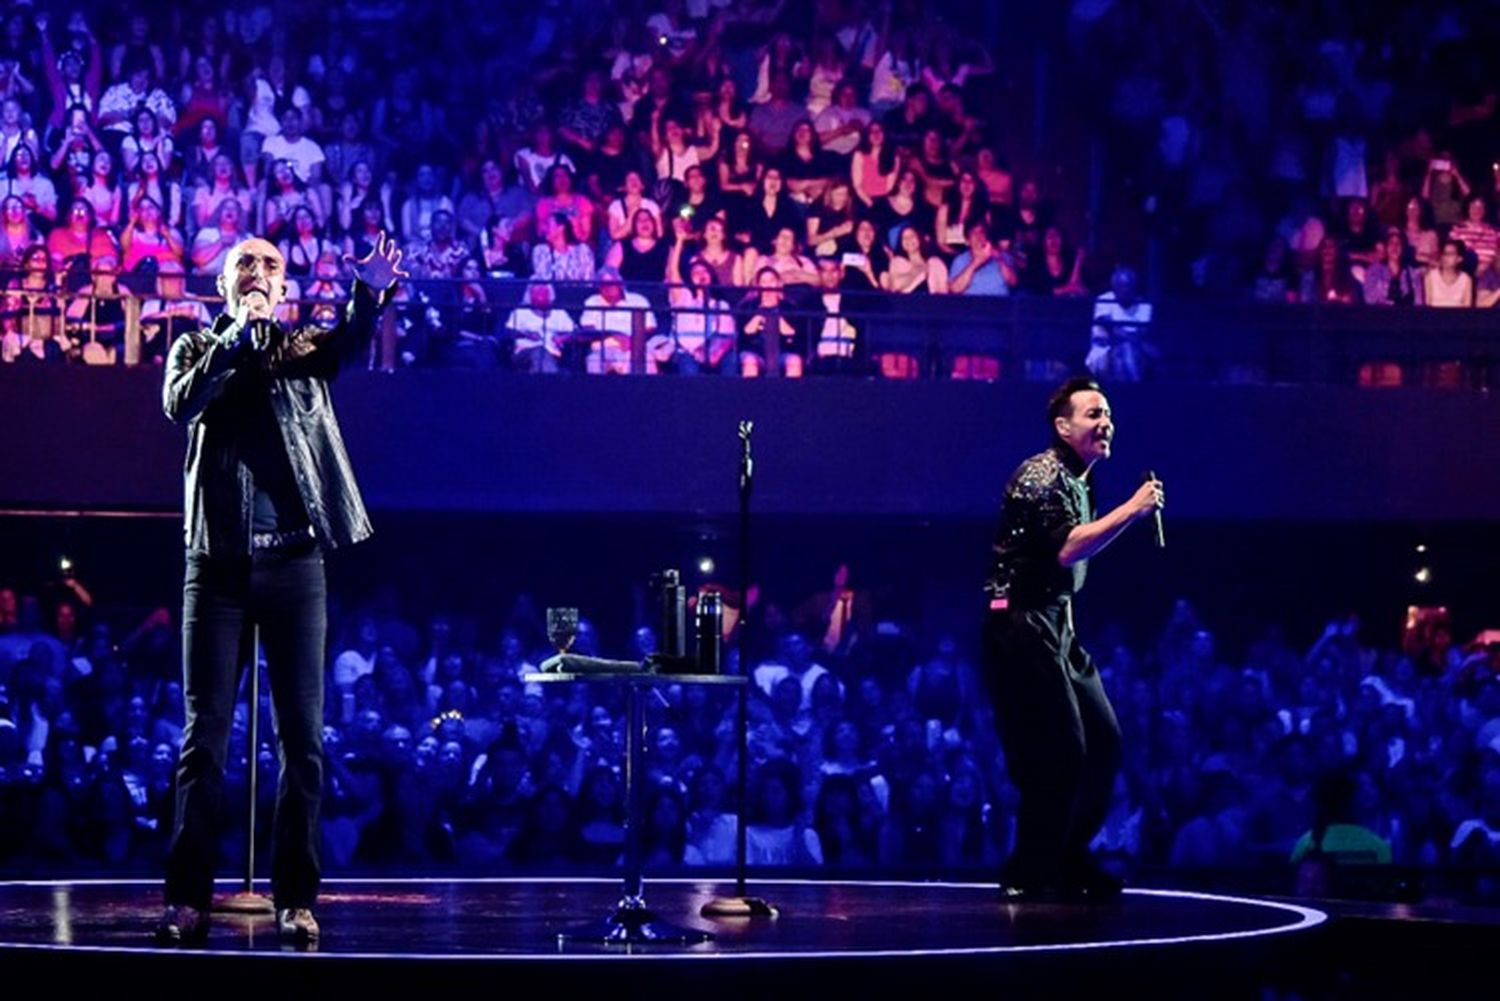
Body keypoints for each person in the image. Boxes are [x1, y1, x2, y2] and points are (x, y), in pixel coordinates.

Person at [156, 231, 406, 946]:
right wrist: (239, 336)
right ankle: (187, 898)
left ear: (286, 282)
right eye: (245, 264)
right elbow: (183, 402)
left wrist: (368, 293)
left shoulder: (302, 354)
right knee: (204, 739)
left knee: (304, 741)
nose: (259, 272)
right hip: (220, 567)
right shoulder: (195, 350)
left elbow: (350, 340)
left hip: (296, 567)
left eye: (270, 264)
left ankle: (296, 896)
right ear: (224, 285)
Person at [982, 376, 1164, 902]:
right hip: (1018, 623)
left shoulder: (1079, 479)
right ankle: (1028, 868)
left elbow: (1066, 566)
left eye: (1107, 413)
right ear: (1063, 426)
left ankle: (1069, 854)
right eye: (1092, 414)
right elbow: (1065, 550)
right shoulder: (1042, 475)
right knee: (1061, 748)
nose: (1104, 421)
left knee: (1104, 742)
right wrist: (1132, 509)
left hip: (1057, 623)